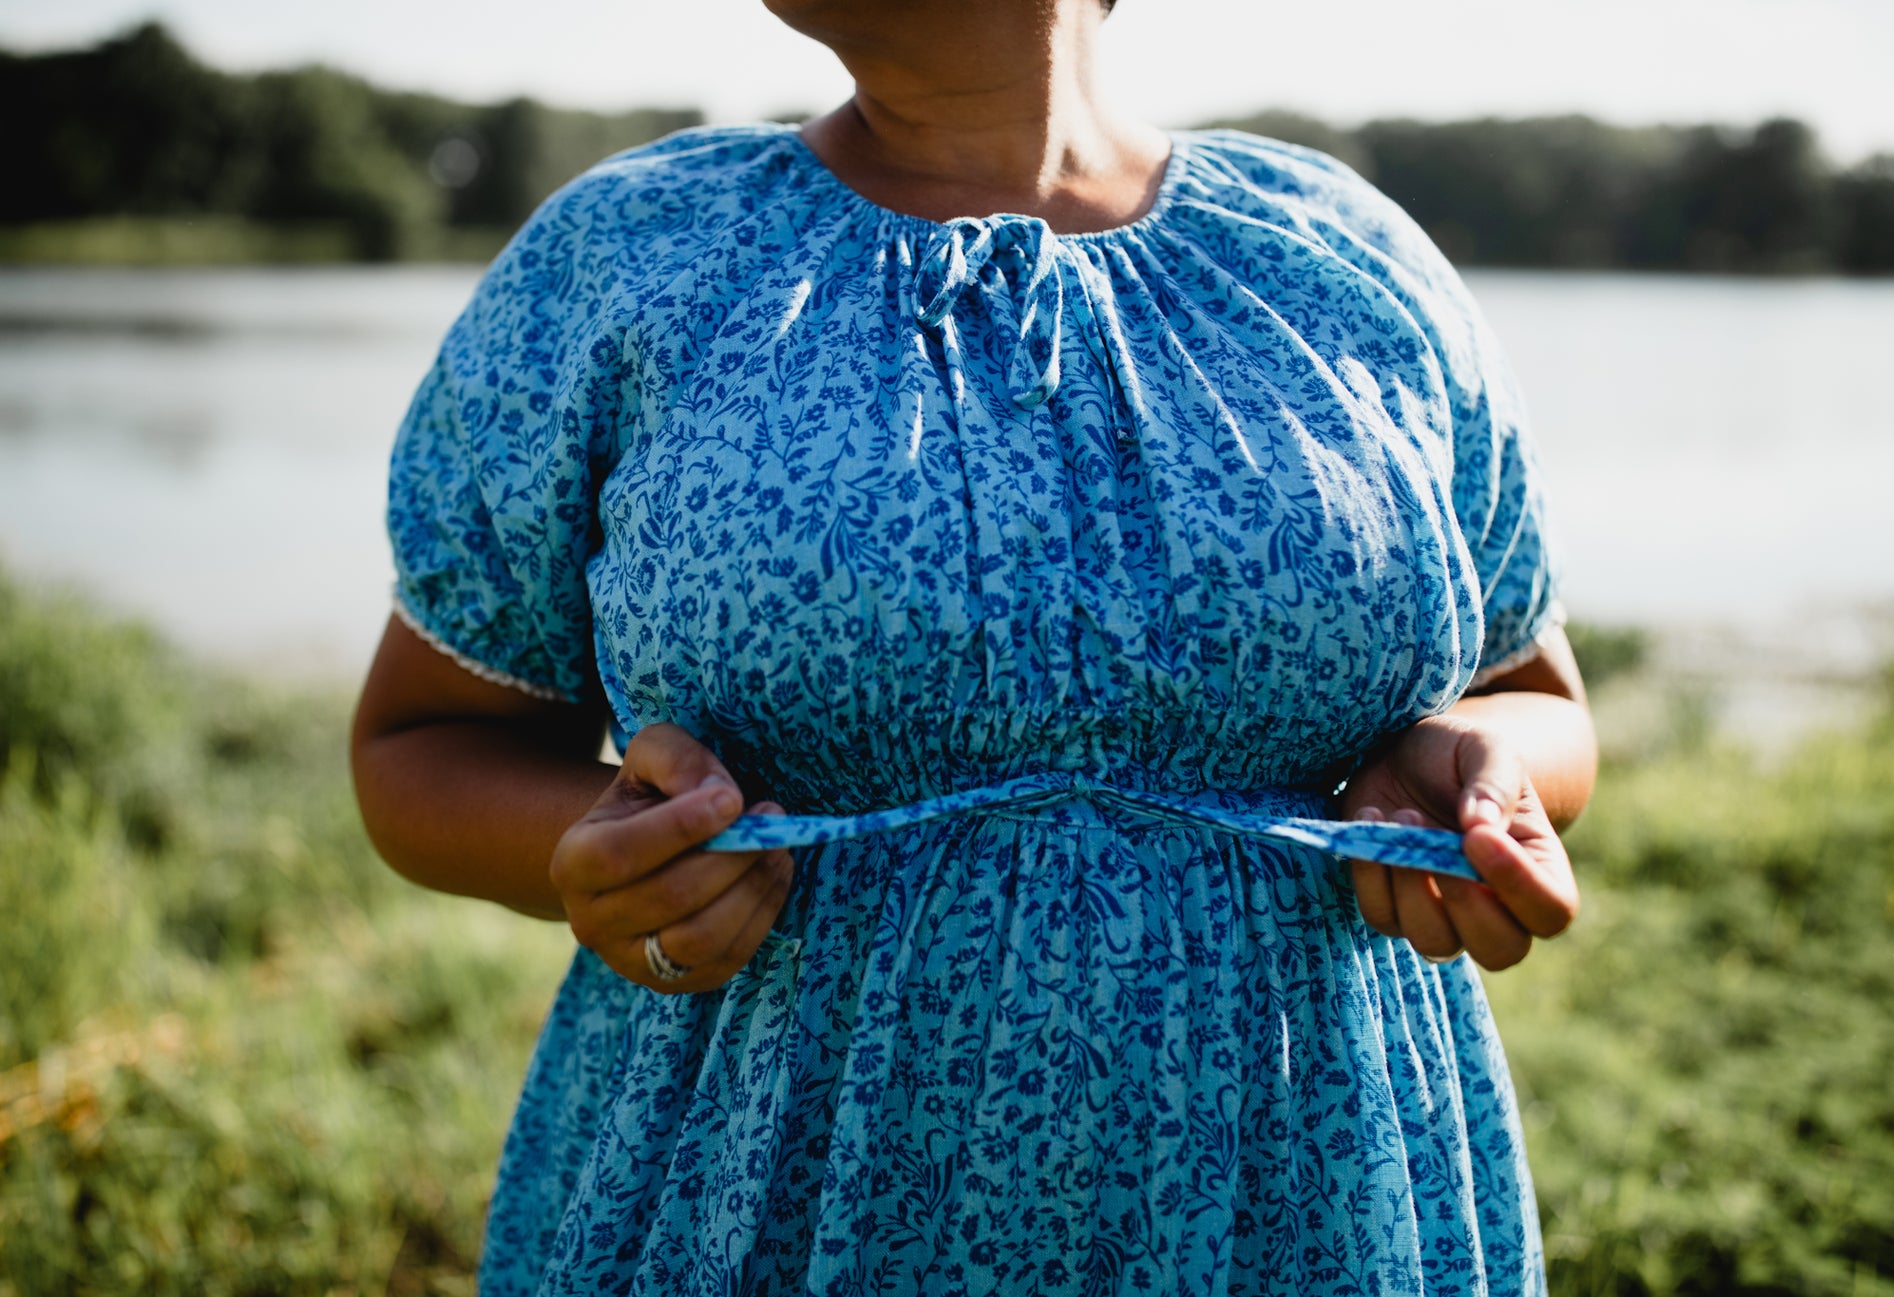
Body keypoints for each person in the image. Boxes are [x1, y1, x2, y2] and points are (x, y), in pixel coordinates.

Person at [350, 0, 1597, 1291]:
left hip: (1303, 1202)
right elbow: (418, 746)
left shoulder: (1339, 260)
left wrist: (1465, 774)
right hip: (755, 1206)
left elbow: (1537, 701)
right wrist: (591, 860)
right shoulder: (630, 258)